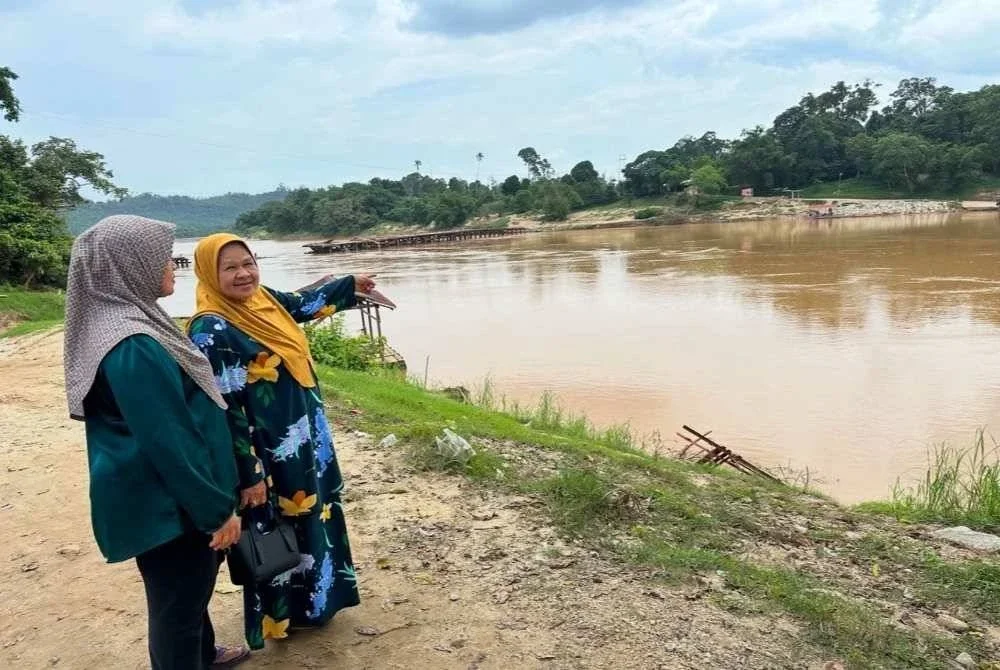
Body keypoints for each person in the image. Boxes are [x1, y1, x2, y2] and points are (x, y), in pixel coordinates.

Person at [63, 215, 251, 669]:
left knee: (188, 594)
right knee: (177, 610)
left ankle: (203, 654)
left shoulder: (126, 321)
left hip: (167, 500)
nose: (171, 264)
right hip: (172, 507)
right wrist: (215, 511)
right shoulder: (131, 343)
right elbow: (169, 440)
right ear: (130, 265)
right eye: (160, 256)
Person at [187, 233, 370, 649]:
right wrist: (249, 473)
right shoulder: (212, 329)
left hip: (306, 441)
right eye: (229, 267)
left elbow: (299, 304)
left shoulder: (263, 299)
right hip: (268, 452)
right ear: (208, 274)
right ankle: (282, 617)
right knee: (278, 531)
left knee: (315, 515)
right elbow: (225, 410)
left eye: (248, 262)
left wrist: (351, 283)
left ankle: (318, 602)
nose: (243, 273)